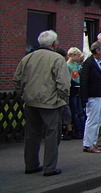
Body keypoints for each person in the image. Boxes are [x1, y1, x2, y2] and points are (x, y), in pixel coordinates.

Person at [14, 30, 71, 176]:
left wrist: (23, 94)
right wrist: (62, 97)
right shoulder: (57, 59)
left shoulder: (27, 58)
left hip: (31, 100)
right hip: (51, 102)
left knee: (32, 134)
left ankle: (31, 164)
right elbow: (63, 83)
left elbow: (17, 79)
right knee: (52, 135)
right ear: (53, 43)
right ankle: (49, 167)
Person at [80, 42, 101, 153]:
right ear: (97, 50)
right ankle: (88, 144)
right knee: (92, 119)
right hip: (93, 94)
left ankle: (93, 142)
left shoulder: (99, 62)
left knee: (98, 119)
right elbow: (85, 81)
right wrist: (84, 98)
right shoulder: (89, 63)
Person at [65, 47, 85, 140]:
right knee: (75, 110)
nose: (78, 57)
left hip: (78, 90)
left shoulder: (77, 65)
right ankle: (76, 129)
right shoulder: (67, 66)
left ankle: (81, 128)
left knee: (80, 110)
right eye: (77, 55)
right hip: (73, 90)